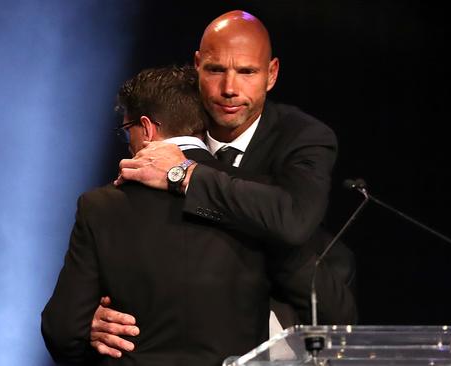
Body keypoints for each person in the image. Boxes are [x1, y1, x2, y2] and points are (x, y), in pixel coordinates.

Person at [90, 10, 357, 358]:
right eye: (216, 70)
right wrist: (97, 312)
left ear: (271, 74)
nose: (230, 89)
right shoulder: (172, 124)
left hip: (279, 331)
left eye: (247, 72)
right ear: (197, 65)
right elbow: (123, 233)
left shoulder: (303, 137)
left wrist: (185, 174)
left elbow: (292, 221)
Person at [42, 65, 282, 365]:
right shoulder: (258, 195)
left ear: (147, 129)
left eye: (126, 131)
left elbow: (62, 330)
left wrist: (87, 325)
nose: (128, 144)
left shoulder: (101, 206)